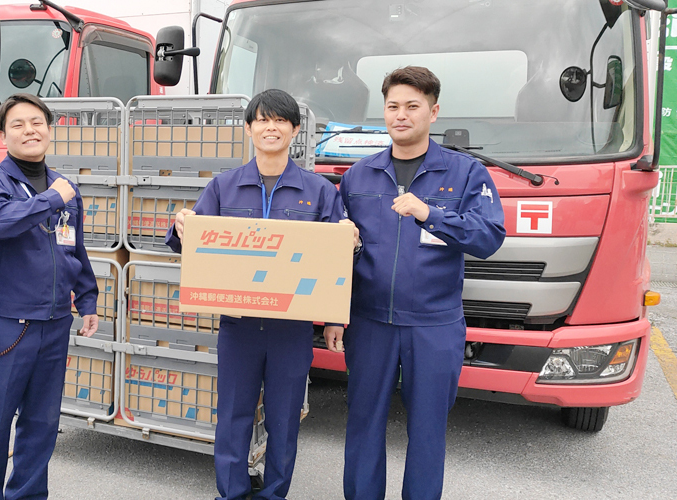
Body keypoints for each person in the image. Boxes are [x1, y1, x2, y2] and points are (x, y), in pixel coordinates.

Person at [326, 66, 506, 500]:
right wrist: (333, 313)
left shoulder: (465, 173)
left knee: (428, 429)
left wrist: (430, 214)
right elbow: (336, 252)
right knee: (363, 422)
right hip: (370, 322)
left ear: (433, 112)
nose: (401, 115)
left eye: (412, 106)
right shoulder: (359, 176)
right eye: (393, 106)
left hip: (435, 325)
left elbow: (489, 237)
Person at [168, 89, 356, 500]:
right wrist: (182, 225)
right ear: (249, 128)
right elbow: (191, 243)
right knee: (233, 416)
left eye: (280, 120)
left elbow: (337, 260)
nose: (271, 128)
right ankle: (231, 493)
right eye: (263, 120)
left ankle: (274, 494)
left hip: (292, 327)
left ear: (295, 129)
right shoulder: (224, 187)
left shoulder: (320, 190)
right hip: (239, 326)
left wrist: (335, 318)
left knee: (284, 420)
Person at [0, 93, 99, 500]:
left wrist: (87, 299)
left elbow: (74, 247)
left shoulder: (64, 187)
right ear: (2, 135)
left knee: (41, 424)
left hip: (55, 322)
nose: (30, 130)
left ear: (49, 129)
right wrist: (52, 199)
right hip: (8, 324)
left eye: (37, 122)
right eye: (18, 124)